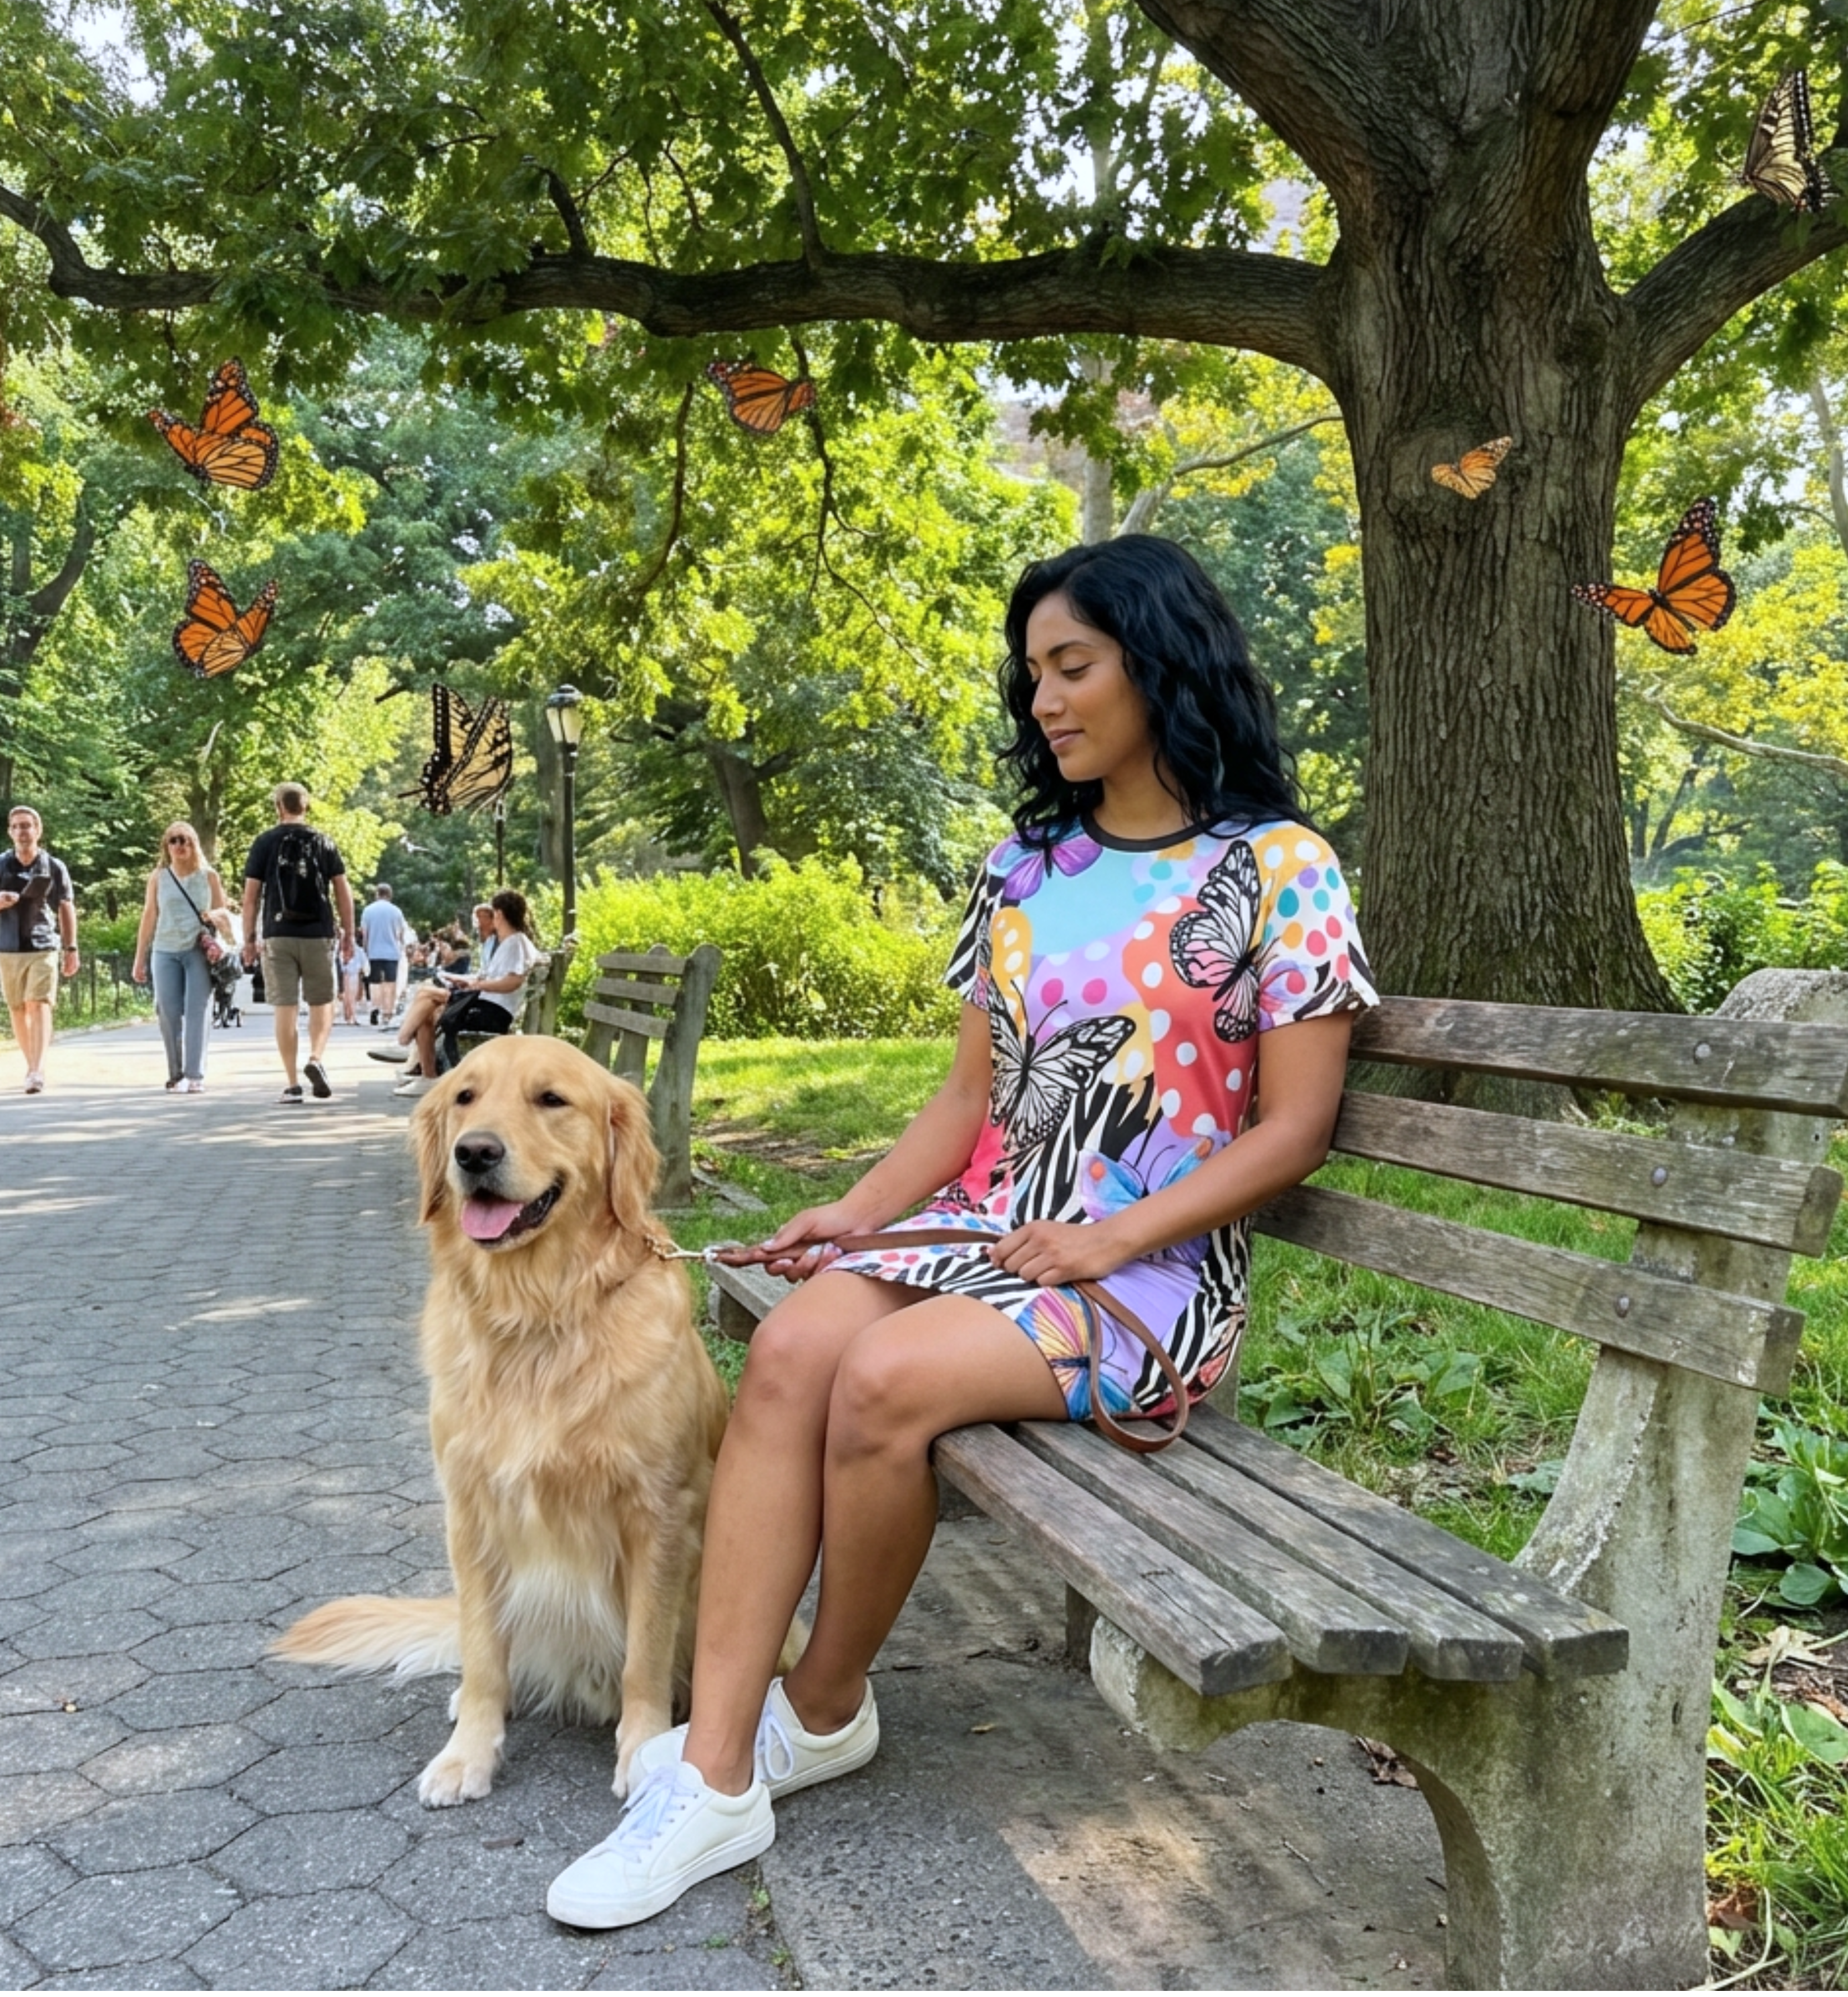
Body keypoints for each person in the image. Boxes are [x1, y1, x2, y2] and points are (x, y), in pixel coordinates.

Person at [544, 536, 1380, 1930]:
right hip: (990, 1232)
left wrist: (1109, 1244)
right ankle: (711, 1765)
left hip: (1150, 1273)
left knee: (879, 1383)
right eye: (1032, 674)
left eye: (1073, 666)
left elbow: (1290, 1131)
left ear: (1158, 663)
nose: (1044, 700)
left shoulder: (1278, 866)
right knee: (799, 1344)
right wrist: (856, 1215)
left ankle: (816, 1714)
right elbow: (968, 1099)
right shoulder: (1025, 866)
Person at [240, 783, 355, 1106]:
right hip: (318, 933)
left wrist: (250, 940)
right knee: (322, 1002)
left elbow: (251, 899)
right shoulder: (324, 842)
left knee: (285, 1007)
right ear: (307, 807)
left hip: (278, 934)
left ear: (279, 807)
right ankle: (316, 1058)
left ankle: (292, 1085)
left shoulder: (264, 842)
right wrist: (348, 932)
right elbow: (343, 892)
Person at [387, 890, 539, 1096]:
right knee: (427, 1007)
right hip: (485, 1005)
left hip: (492, 1013)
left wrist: (478, 986)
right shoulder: (512, 942)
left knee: (426, 996)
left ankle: (404, 1045)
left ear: (500, 915)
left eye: (493, 913)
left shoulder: (515, 943)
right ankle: (425, 1073)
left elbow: (513, 982)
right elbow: (493, 978)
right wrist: (467, 981)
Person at [0, 805, 79, 1095]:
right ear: (10, 832)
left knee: (40, 1002)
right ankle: (31, 1064)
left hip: (43, 944)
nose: (23, 832)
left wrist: (71, 948)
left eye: (27, 826)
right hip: (8, 947)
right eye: (17, 827)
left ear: (38, 830)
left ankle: (37, 1070)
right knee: (18, 1008)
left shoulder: (54, 866)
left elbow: (66, 907)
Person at [130, 822, 230, 1093]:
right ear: (167, 846)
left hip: (197, 949)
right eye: (174, 841)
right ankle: (176, 1075)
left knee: (197, 1011)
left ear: (194, 843)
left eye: (185, 840)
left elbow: (223, 914)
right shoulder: (159, 877)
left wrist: (213, 918)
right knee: (168, 1012)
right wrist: (140, 957)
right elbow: (149, 915)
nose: (180, 845)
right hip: (165, 949)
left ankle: (195, 1074)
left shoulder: (208, 876)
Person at [360, 884, 408, 1026]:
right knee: (390, 983)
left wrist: (365, 949)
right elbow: (400, 934)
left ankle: (375, 1008)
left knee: (375, 982)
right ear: (390, 894)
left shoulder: (368, 911)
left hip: (374, 951)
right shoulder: (396, 911)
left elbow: (365, 933)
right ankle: (387, 1013)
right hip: (391, 952)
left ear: (377, 894)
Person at [338, 933, 369, 1026]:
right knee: (349, 997)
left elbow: (365, 965)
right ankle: (350, 1016)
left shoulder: (355, 951)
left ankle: (350, 1016)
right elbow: (365, 964)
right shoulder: (343, 951)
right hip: (349, 975)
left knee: (350, 997)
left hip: (351, 975)